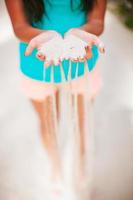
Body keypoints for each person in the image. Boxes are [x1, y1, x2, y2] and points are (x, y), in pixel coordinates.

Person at [5, 0, 106, 186]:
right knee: (49, 123)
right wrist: (46, 35)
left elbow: (97, 21)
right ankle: (55, 167)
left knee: (82, 123)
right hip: (39, 61)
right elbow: (19, 26)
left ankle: (81, 167)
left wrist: (82, 34)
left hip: (83, 59)